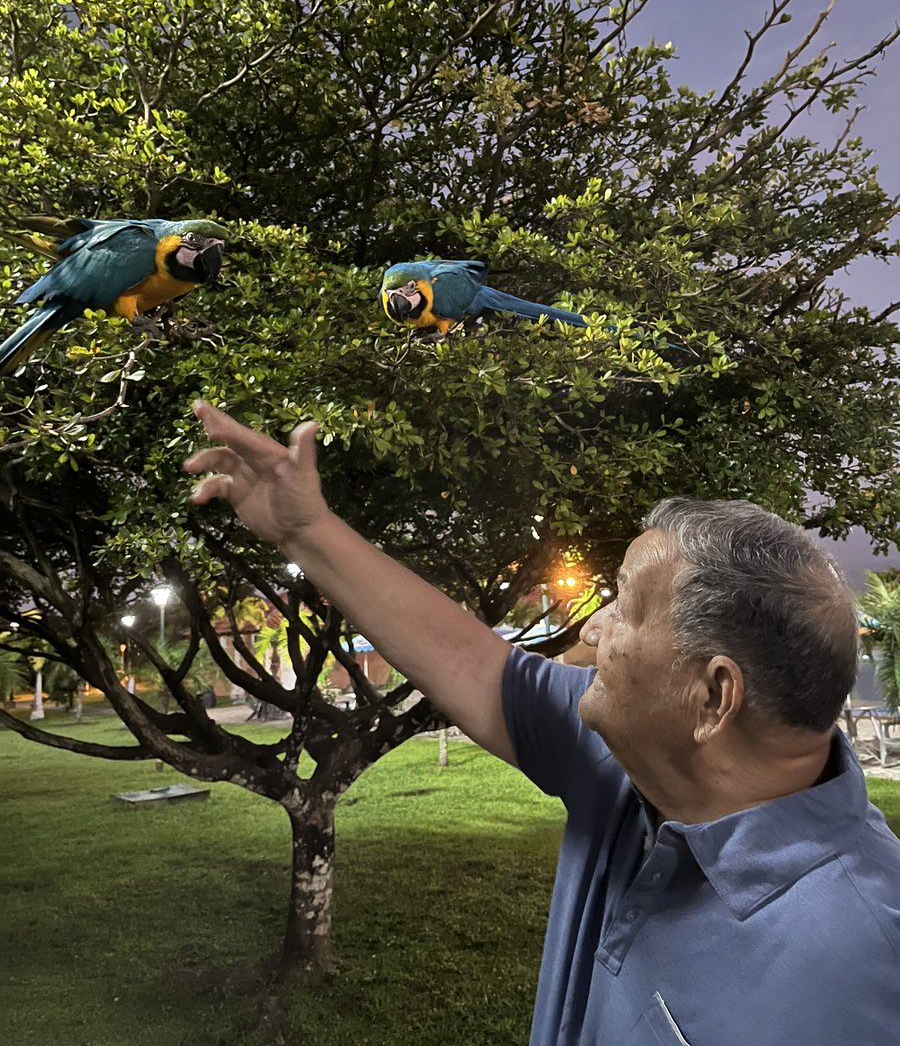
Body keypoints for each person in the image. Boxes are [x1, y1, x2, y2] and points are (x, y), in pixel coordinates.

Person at [184, 402, 900, 1046]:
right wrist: (307, 530)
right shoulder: (636, 766)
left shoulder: (856, 961)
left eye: (627, 608)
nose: (593, 626)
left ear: (712, 698)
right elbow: (471, 664)